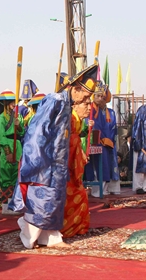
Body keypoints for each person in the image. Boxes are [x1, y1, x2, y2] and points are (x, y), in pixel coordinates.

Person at [9, 64, 98, 249]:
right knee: (42, 201)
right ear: (74, 88)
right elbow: (37, 131)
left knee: (55, 201)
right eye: (86, 96)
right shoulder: (55, 100)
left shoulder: (66, 103)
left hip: (58, 163)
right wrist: (36, 160)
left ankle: (51, 237)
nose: (86, 100)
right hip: (44, 162)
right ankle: (29, 236)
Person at [61, 98, 93, 237]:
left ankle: (77, 227)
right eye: (85, 104)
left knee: (80, 194)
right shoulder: (68, 120)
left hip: (74, 161)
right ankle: (66, 228)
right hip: (65, 165)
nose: (89, 108)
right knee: (76, 195)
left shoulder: (77, 120)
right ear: (74, 105)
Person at [84, 81, 119, 197]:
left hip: (107, 143)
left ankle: (103, 190)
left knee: (106, 165)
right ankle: (94, 191)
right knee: (93, 166)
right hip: (93, 142)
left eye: (102, 97)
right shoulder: (90, 109)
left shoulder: (109, 113)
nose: (100, 99)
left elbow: (112, 129)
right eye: (98, 96)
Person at [0, 89, 24, 215]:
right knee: (6, 176)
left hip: (17, 144)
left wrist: (19, 126)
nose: (13, 104)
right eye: (11, 102)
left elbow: (22, 133)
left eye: (14, 101)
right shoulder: (1, 118)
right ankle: (5, 206)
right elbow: (1, 136)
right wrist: (7, 152)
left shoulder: (18, 116)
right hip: (7, 145)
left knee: (15, 176)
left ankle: (13, 203)